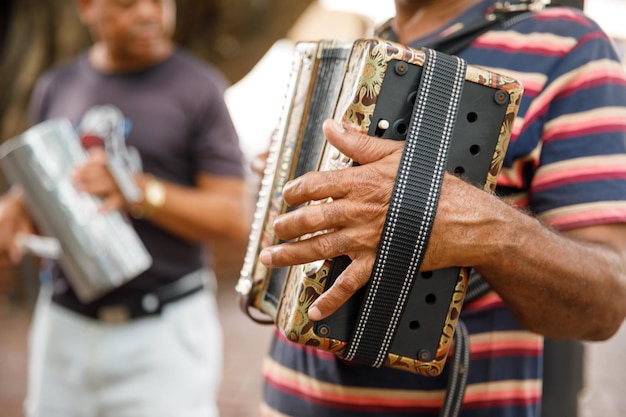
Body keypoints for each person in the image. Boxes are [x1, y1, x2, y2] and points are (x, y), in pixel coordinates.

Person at [256, 0, 626, 416]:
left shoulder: (570, 44)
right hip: (286, 395)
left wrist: (483, 227)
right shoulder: (372, 43)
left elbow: (605, 302)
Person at [0, 0, 250, 416]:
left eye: (159, 1)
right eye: (127, 4)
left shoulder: (199, 87)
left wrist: (140, 192)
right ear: (86, 7)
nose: (149, 14)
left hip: (163, 333)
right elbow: (48, 187)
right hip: (63, 326)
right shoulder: (55, 85)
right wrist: (16, 205)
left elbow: (234, 217)